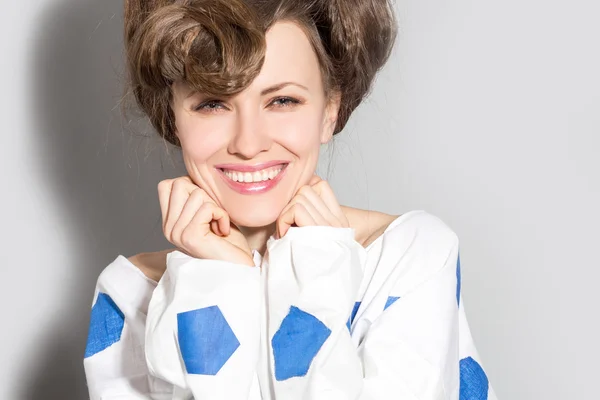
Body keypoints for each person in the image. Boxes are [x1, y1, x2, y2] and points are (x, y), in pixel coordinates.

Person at [83, 0, 498, 399]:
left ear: (330, 109)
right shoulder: (129, 297)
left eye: (282, 101)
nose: (249, 144)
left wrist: (317, 268)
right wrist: (218, 278)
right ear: (173, 117)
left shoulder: (409, 258)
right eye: (212, 103)